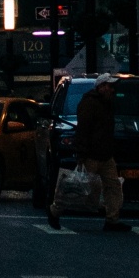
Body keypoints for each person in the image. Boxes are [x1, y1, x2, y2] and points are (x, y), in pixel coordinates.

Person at [49, 74, 130, 231]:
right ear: (100, 87)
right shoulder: (89, 104)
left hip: (104, 154)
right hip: (92, 154)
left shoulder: (106, 103)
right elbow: (83, 130)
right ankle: (55, 210)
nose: (112, 89)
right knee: (78, 189)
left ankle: (112, 219)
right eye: (109, 86)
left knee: (112, 187)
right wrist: (81, 153)